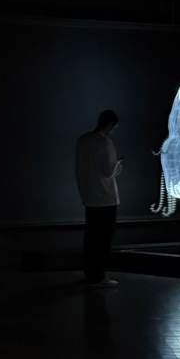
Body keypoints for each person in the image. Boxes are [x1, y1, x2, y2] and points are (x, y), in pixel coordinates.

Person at [75, 109, 123, 288]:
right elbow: (108, 171)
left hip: (89, 196)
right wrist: (118, 164)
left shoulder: (83, 140)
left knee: (91, 237)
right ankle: (99, 277)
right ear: (110, 124)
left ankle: (90, 273)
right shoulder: (105, 142)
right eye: (114, 128)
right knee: (103, 239)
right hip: (105, 198)